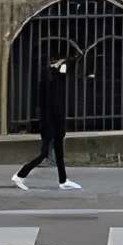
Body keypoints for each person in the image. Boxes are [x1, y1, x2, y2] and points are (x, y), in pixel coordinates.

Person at [12, 51, 80, 191]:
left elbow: (69, 65)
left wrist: (67, 60)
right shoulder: (47, 76)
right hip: (49, 123)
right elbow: (60, 71)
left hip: (57, 121)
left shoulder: (57, 75)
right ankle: (20, 175)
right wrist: (62, 63)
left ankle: (63, 180)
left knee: (59, 153)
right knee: (44, 153)